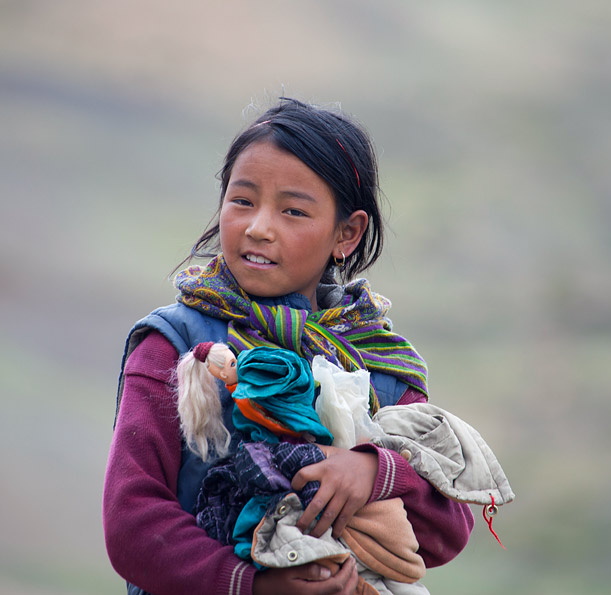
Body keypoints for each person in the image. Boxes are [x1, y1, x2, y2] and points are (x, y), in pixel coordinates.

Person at [103, 97, 475, 595]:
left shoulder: (379, 365)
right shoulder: (176, 347)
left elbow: (448, 529)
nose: (258, 227)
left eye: (293, 210)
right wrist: (251, 585)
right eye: (242, 201)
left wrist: (373, 471)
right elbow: (131, 524)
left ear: (346, 233)